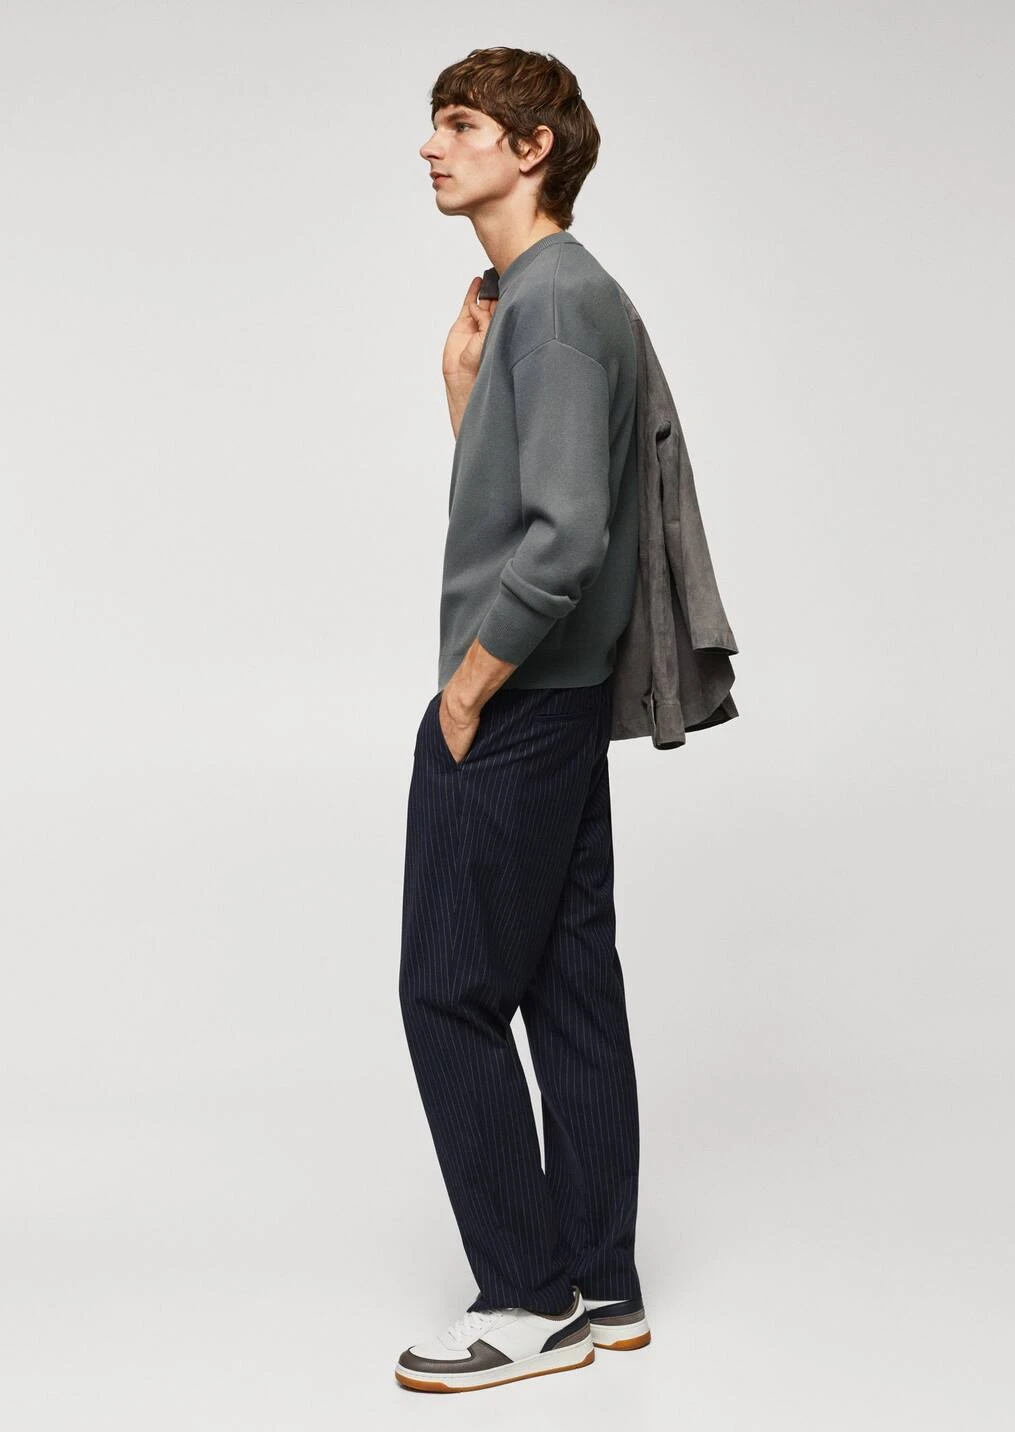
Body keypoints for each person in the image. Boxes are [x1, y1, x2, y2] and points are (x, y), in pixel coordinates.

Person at [395, 47, 650, 1394]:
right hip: (562, 698)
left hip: (515, 703)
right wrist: (463, 398)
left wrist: (466, 688)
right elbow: (533, 507)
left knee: (446, 993)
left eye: (460, 124)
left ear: (532, 147)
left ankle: (528, 1301)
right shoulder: (560, 297)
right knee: (568, 984)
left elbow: (563, 543)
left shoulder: (551, 304)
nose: (432, 147)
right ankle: (602, 1283)